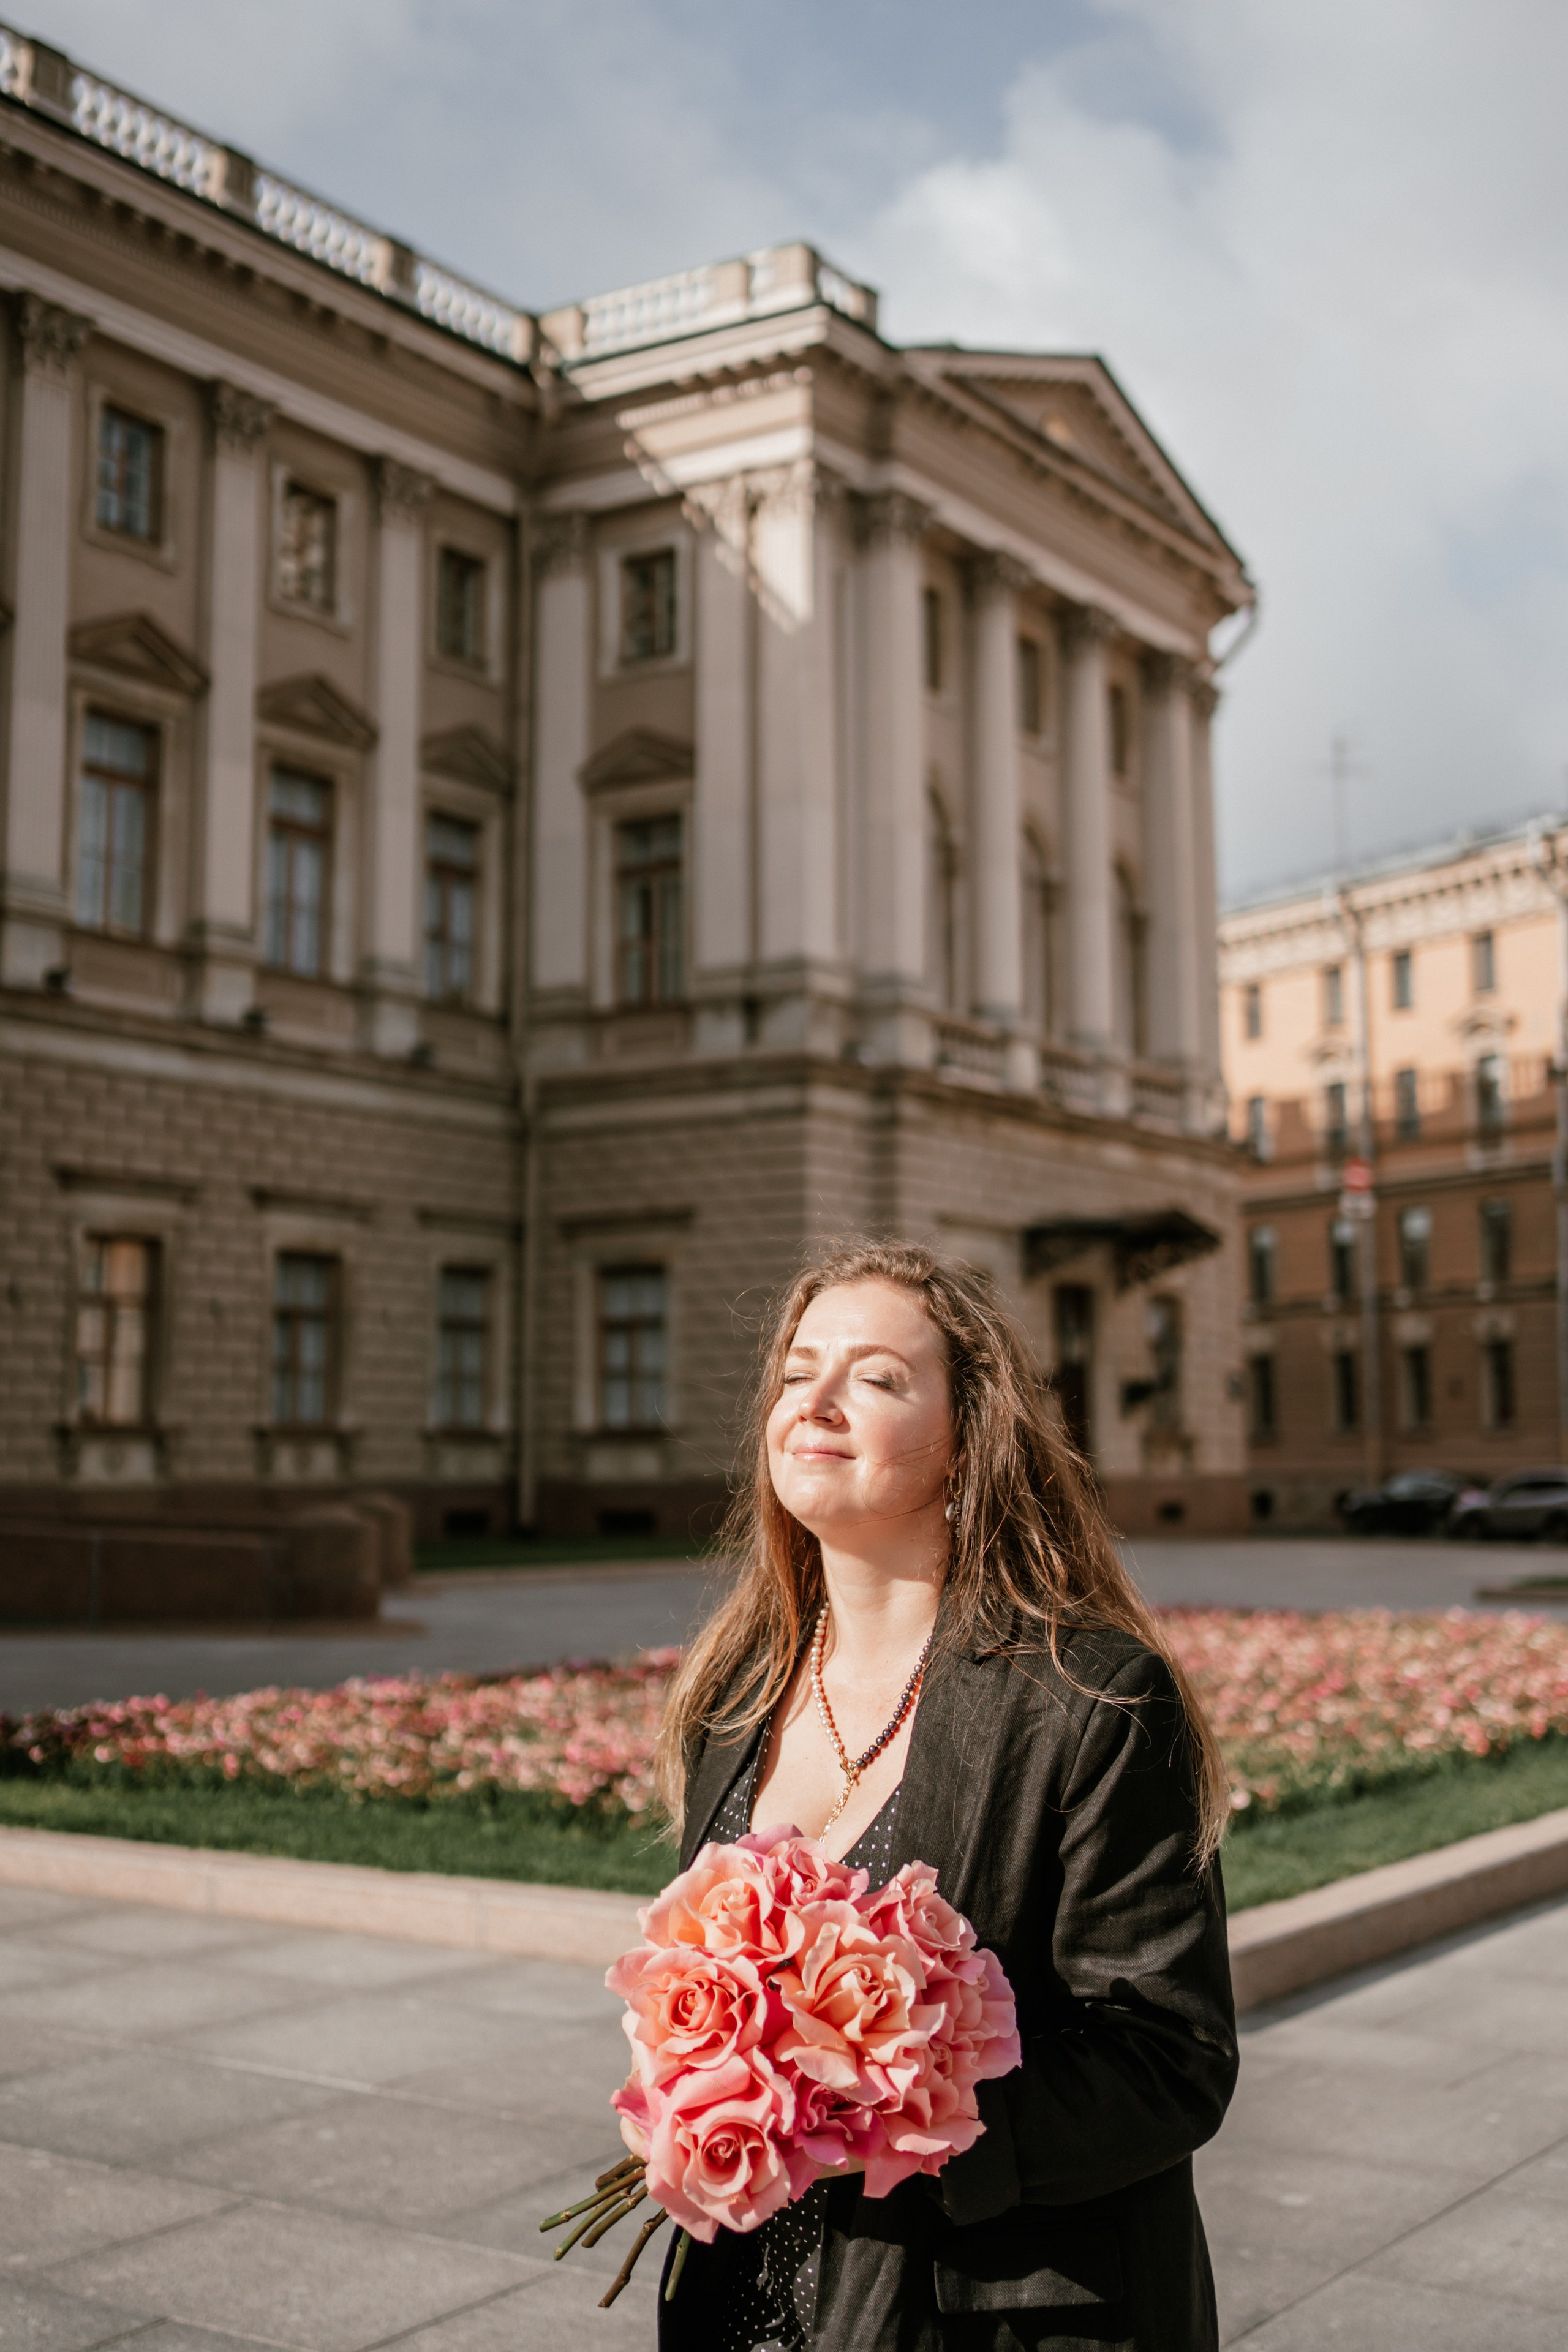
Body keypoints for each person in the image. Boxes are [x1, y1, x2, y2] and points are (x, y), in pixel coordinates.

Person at [652, 1237, 1237, 2352]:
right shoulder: (733, 1690)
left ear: (970, 1442)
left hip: (983, 2311)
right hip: (751, 2306)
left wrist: (873, 2099)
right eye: (794, 1373)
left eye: (875, 1378)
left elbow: (1171, 2062)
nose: (814, 1402)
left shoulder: (1092, 1699)